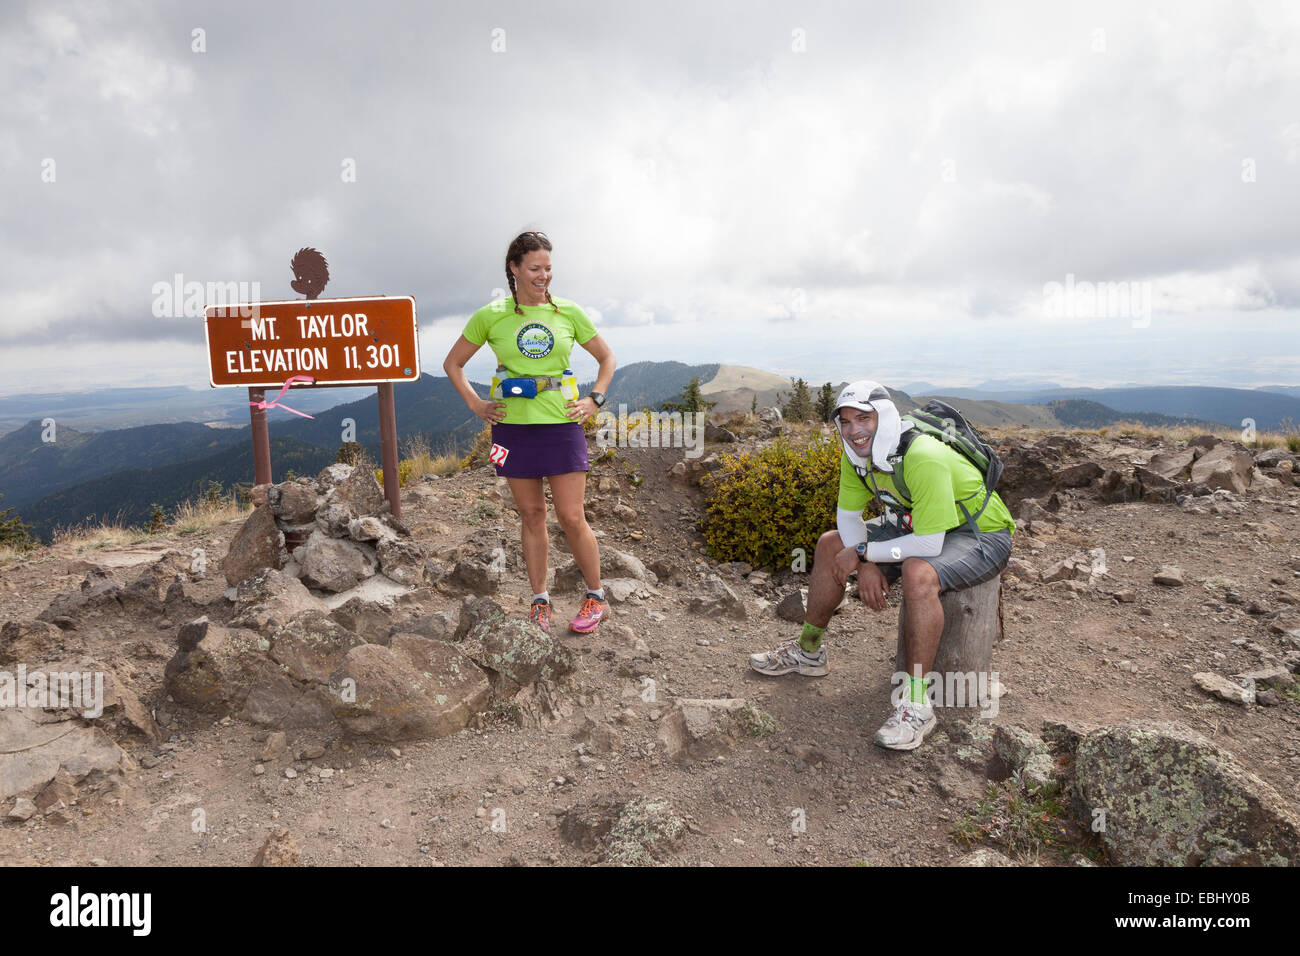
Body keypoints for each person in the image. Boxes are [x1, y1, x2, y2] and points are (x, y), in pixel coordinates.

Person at [747, 380, 1015, 750]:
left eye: (863, 418)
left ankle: (917, 703)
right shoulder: (856, 457)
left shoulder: (923, 455)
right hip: (917, 524)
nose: (854, 430)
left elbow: (929, 544)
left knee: (917, 571)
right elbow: (848, 521)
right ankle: (808, 651)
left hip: (978, 532)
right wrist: (862, 554)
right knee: (829, 545)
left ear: (884, 418)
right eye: (845, 421)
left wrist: (865, 554)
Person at [443, 231, 616, 634]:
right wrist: (475, 404)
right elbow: (454, 363)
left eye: (549, 268)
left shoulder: (568, 312)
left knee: (572, 516)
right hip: (513, 429)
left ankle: (597, 597)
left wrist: (595, 400)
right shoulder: (492, 315)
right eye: (535, 268)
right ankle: (540, 600)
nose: (544, 276)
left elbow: (607, 358)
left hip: (562, 424)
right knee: (532, 514)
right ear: (514, 268)